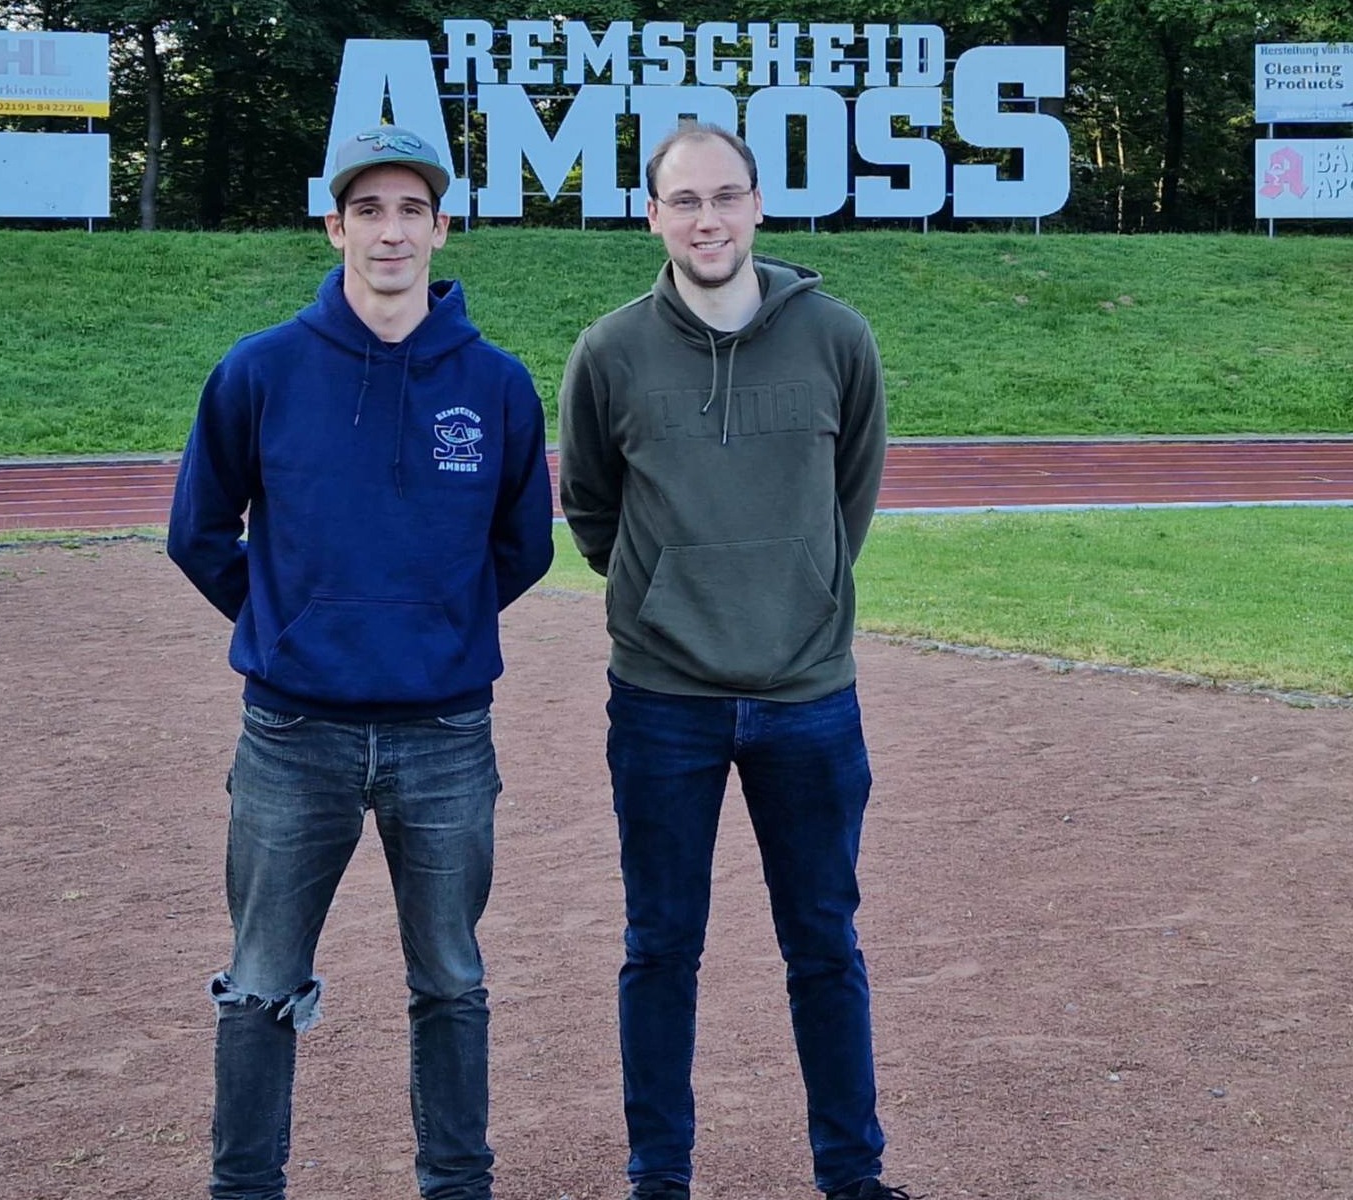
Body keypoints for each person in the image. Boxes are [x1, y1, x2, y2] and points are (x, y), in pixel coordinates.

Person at [167, 124, 555, 1200]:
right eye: (369, 210)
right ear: (334, 225)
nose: (391, 230)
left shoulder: (497, 384)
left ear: (440, 227)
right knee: (258, 983)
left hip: (444, 738)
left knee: (452, 981)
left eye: (411, 210)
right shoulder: (260, 370)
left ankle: (455, 1182)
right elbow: (200, 532)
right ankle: (245, 1187)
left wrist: (434, 625)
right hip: (294, 736)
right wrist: (289, 626)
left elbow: (522, 548)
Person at [556, 122, 907, 1200]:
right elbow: (591, 508)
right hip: (664, 700)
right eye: (684, 201)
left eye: (726, 197)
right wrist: (670, 601)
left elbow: (849, 494)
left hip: (807, 696)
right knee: (660, 946)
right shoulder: (607, 353)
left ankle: (849, 1176)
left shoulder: (836, 338)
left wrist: (796, 592)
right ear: (650, 215)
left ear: (757, 206)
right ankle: (659, 1176)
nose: (707, 219)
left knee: (823, 946)